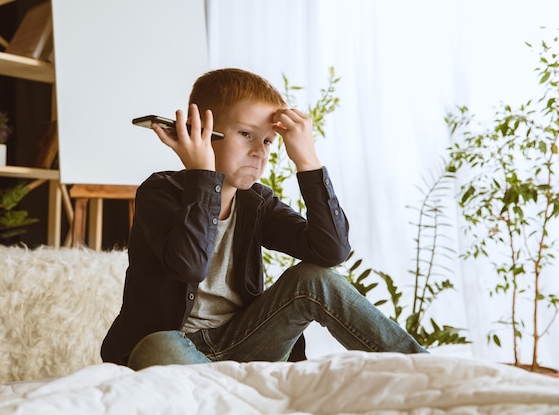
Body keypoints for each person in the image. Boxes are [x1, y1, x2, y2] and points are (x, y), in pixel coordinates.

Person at [101, 68, 426, 369]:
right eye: (246, 134)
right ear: (202, 131)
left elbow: (331, 252)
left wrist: (307, 161)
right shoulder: (159, 192)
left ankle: (423, 367)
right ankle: (228, 393)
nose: (260, 150)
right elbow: (190, 266)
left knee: (314, 277)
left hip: (244, 346)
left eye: (268, 141)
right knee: (156, 346)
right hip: (176, 347)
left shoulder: (258, 202)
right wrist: (202, 173)